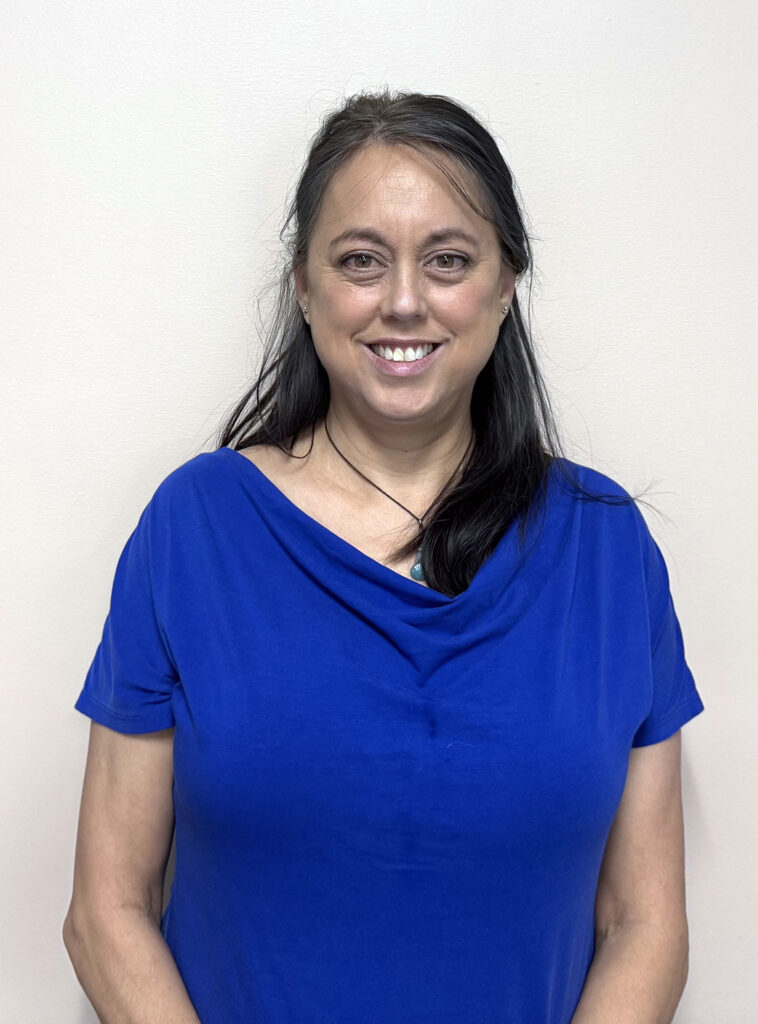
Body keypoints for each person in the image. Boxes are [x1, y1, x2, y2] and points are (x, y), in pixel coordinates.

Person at [63, 89, 705, 1024]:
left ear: (505, 282)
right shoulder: (192, 529)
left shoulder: (606, 546)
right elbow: (106, 910)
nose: (403, 301)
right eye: (361, 261)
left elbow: (644, 921)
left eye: (447, 260)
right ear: (304, 285)